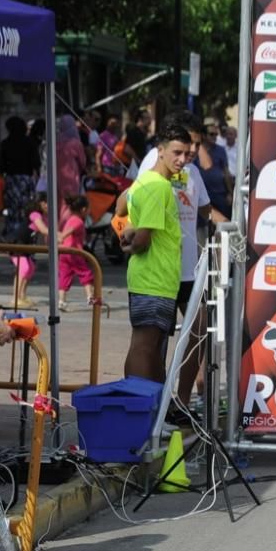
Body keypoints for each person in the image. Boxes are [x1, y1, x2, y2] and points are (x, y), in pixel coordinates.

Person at [132, 110, 212, 409]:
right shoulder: (153, 173)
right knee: (150, 345)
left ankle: (179, 400)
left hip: (187, 270)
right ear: (164, 149)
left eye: (193, 147)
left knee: (199, 330)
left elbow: (206, 209)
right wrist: (133, 236)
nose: (189, 154)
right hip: (157, 273)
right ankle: (152, 406)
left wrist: (236, 228)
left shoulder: (191, 171)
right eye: (184, 147)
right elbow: (131, 206)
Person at [121, 124, 189, 383]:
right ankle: (139, 410)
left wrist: (130, 235)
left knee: (149, 347)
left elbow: (128, 220)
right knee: (145, 346)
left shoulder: (143, 181)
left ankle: (155, 410)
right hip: (153, 279)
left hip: (154, 279)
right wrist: (132, 244)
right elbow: (143, 239)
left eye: (186, 154)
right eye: (176, 152)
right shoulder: (157, 186)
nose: (181, 160)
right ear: (160, 151)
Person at [0, 116, 40, 239]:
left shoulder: (5, 144)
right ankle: (27, 239)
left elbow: (1, 166)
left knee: (12, 212)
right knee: (28, 211)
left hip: (11, 181)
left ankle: (13, 239)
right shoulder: (30, 143)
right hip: (27, 181)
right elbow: (36, 163)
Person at [56, 195, 96, 310]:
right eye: (89, 209)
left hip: (64, 253)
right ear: (83, 209)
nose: (89, 211)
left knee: (64, 275)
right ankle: (90, 298)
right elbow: (69, 231)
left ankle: (61, 301)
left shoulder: (70, 219)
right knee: (86, 274)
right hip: (74, 253)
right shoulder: (78, 221)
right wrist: (62, 236)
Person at [195, 122, 232, 221]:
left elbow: (226, 172)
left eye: (216, 134)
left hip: (220, 194)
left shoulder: (221, 150)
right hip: (201, 194)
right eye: (211, 134)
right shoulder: (195, 150)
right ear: (203, 135)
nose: (214, 137)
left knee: (222, 224)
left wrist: (230, 193)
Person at [55, 114, 87, 198]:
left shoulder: (55, 142)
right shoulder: (75, 143)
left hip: (56, 177)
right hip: (71, 177)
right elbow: (83, 163)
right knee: (71, 202)